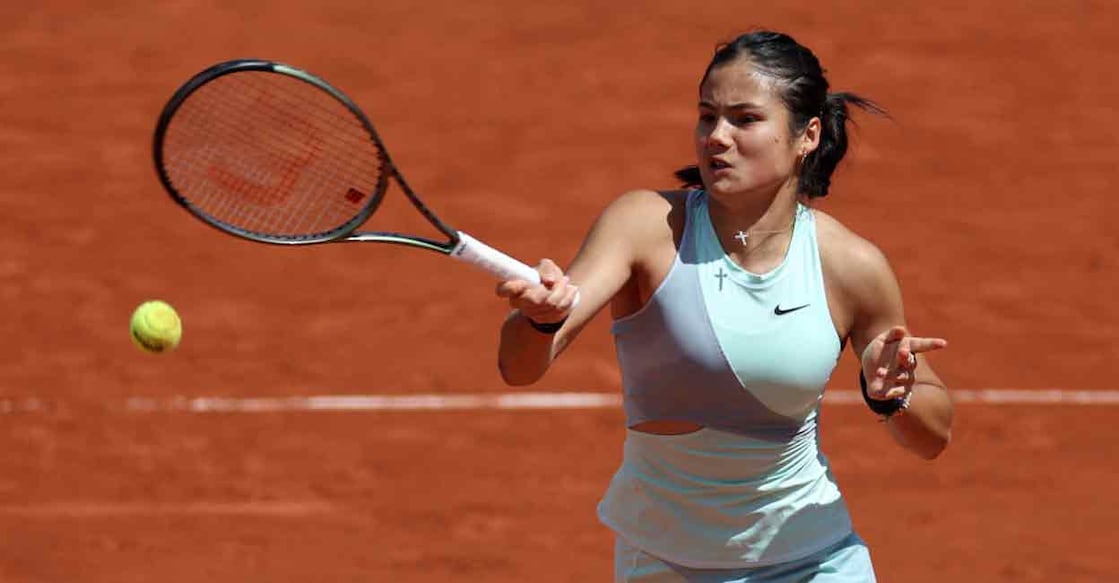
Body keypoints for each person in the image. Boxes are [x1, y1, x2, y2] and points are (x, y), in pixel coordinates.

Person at [495, 29, 953, 582]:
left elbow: (933, 436)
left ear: (807, 135)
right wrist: (540, 321)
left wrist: (892, 399)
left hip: (816, 562)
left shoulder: (849, 265)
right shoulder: (646, 228)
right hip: (665, 564)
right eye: (707, 116)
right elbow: (518, 368)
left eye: (745, 119)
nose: (717, 136)